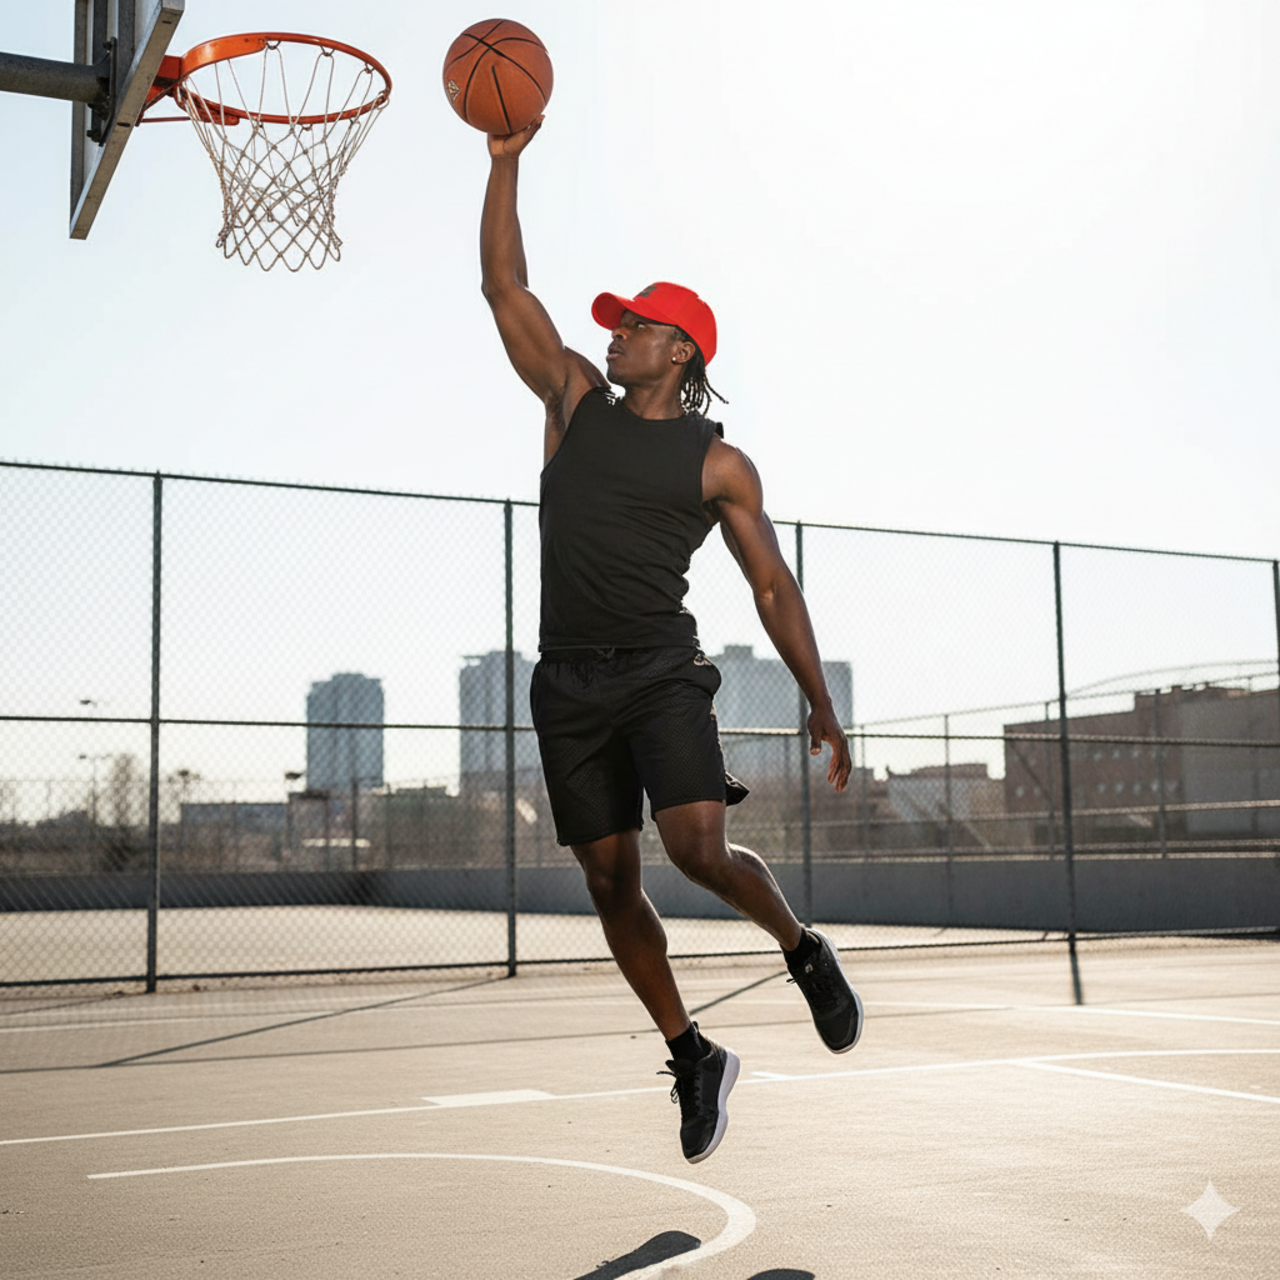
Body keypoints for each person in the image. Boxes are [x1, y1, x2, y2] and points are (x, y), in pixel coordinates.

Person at [479, 118, 863, 1164]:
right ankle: (692, 1052)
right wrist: (503, 159)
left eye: (635, 324)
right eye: (613, 323)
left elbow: (770, 582)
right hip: (565, 684)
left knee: (694, 849)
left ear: (680, 347)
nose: (613, 333)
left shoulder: (716, 461)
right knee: (611, 883)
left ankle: (799, 946)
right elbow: (505, 289)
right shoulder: (571, 400)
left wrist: (817, 701)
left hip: (658, 672)